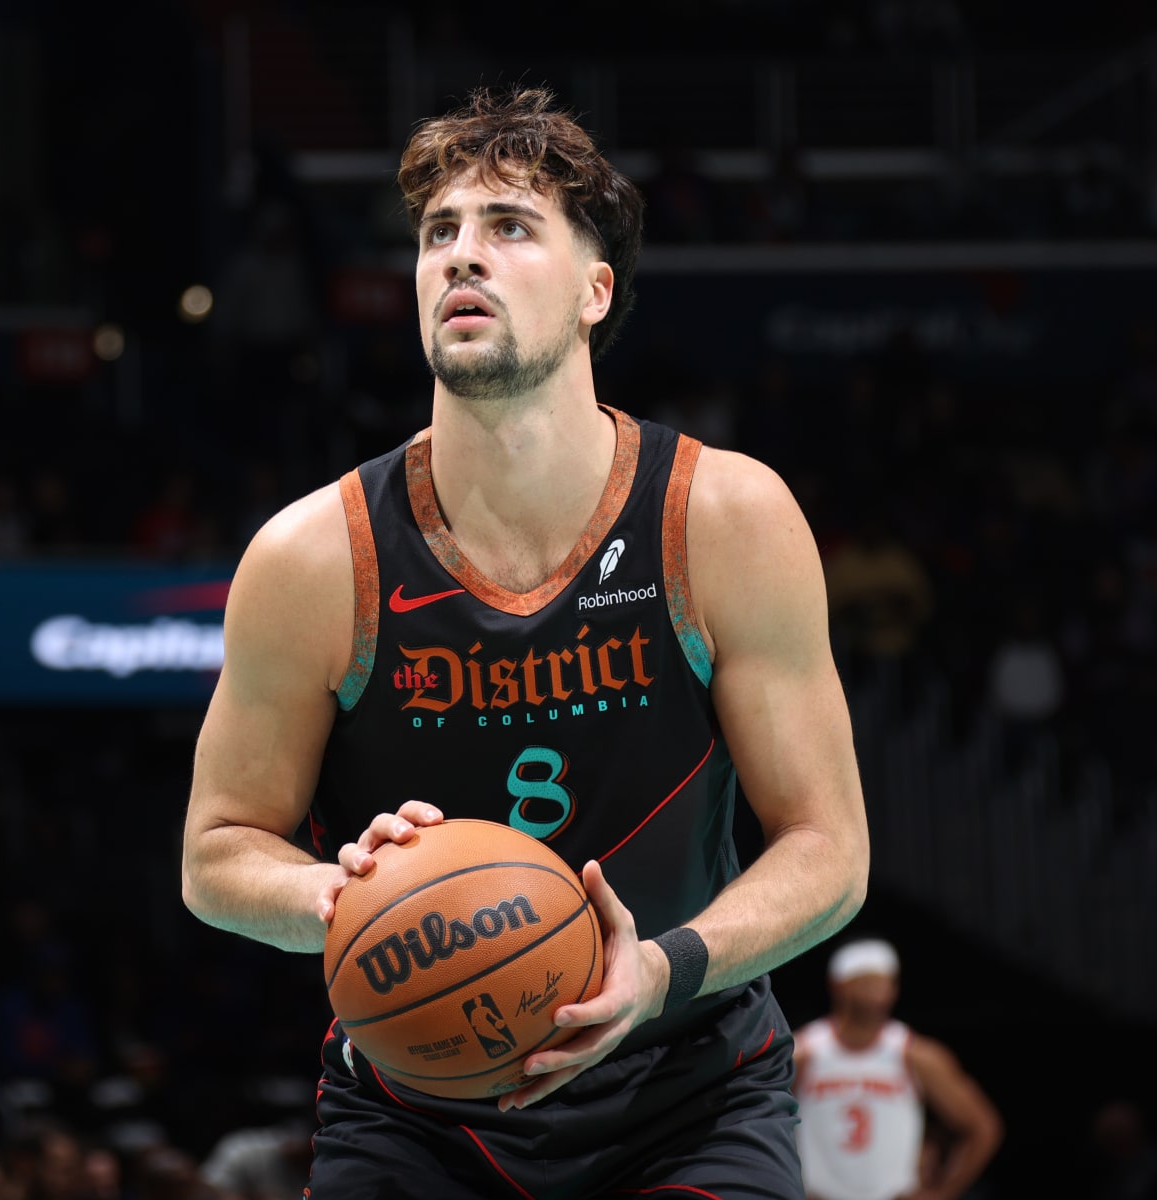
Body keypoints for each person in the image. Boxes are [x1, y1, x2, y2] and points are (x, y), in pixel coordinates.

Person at [181, 86, 869, 1198]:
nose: (463, 256)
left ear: (597, 289)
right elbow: (215, 855)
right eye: (439, 233)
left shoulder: (723, 519)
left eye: (509, 227)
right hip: (419, 1113)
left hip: (683, 1085)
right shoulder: (313, 559)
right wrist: (336, 895)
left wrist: (659, 971)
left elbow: (830, 853)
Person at [794, 939, 1002, 1200]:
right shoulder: (803, 1054)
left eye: (885, 982)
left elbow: (982, 1127)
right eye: (867, 981)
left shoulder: (915, 1055)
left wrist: (943, 1193)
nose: (877, 991)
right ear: (839, 985)